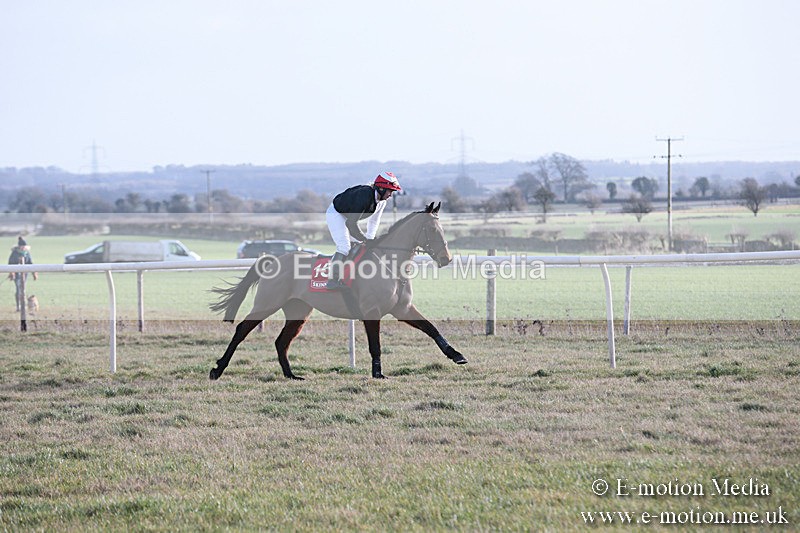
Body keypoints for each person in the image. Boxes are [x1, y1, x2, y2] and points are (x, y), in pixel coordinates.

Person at [325, 171, 402, 289]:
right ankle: (332, 280)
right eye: (390, 190)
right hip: (336, 214)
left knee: (357, 245)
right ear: (381, 188)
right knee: (344, 247)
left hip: (348, 217)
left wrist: (370, 238)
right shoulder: (364, 196)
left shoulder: (382, 202)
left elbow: (374, 221)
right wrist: (364, 238)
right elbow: (350, 223)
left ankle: (350, 276)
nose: (391, 194)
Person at [8, 236, 37, 312]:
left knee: (23, 289)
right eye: (22, 246)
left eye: (24, 246)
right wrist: (12, 273)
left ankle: (24, 305)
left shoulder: (27, 253)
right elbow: (10, 263)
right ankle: (18, 306)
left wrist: (34, 273)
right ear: (19, 246)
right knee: (18, 289)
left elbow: (30, 263)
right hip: (16, 274)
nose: (23, 248)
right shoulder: (15, 253)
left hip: (25, 274)